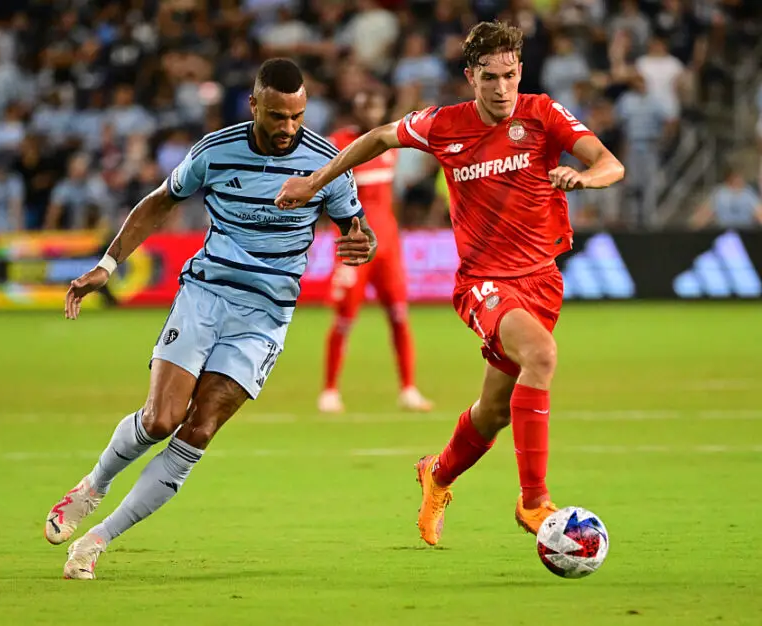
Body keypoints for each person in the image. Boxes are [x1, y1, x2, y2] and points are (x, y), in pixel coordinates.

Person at [276, 21, 624, 545]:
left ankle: (436, 475)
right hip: (484, 284)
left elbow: (610, 164)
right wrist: (314, 181)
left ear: (520, 71)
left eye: (510, 75)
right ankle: (534, 502)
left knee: (493, 413)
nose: (502, 88)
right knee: (542, 355)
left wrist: (584, 178)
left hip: (542, 282)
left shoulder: (543, 113)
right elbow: (378, 137)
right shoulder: (443, 124)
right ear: (470, 77)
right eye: (490, 78)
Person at [44, 58, 376, 578]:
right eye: (277, 116)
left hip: (266, 314)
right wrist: (107, 265)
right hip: (205, 295)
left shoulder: (326, 163)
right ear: (254, 105)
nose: (288, 127)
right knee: (160, 419)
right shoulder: (214, 151)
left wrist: (362, 242)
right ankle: (93, 486)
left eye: (297, 116)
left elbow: (356, 226)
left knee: (198, 430)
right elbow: (160, 202)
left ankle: (96, 541)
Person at [319, 91, 433, 413]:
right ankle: (329, 390)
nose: (371, 111)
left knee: (399, 315)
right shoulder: (339, 143)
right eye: (365, 105)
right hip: (354, 246)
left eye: (376, 105)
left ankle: (408, 389)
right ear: (354, 108)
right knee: (344, 318)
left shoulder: (389, 142)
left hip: (388, 246)